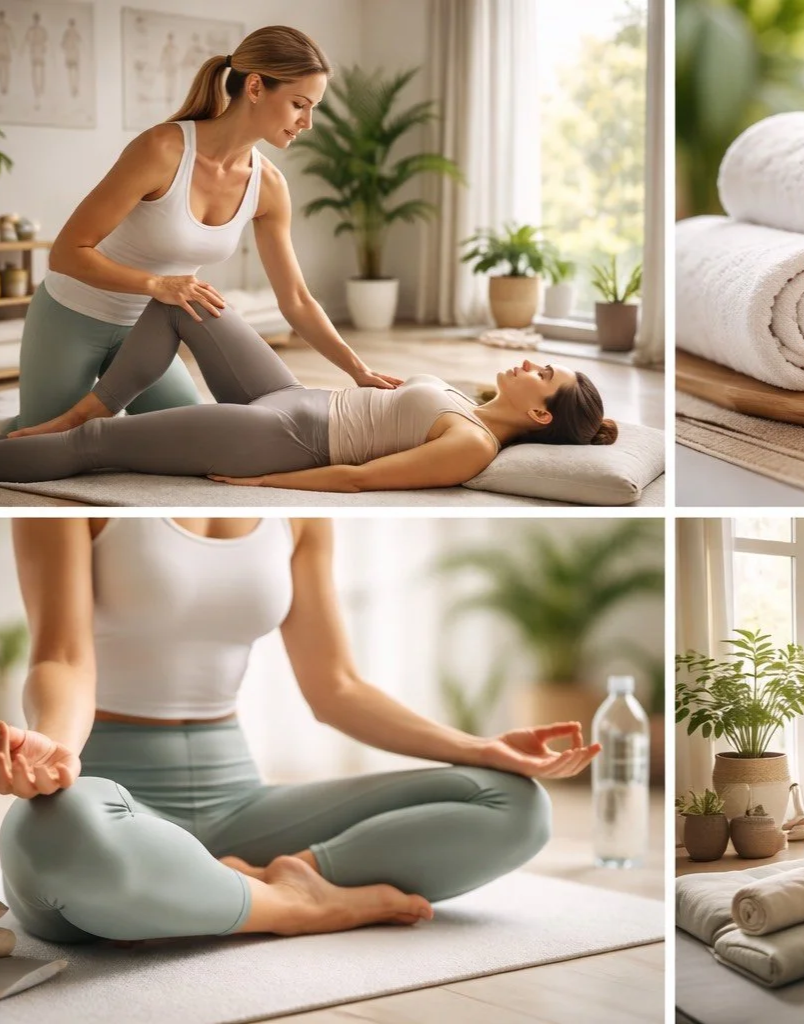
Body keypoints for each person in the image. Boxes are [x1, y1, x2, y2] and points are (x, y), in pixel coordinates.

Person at [0, 517, 602, 943]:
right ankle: (288, 906)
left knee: (516, 804)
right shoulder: (85, 502)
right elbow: (62, 657)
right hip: (112, 795)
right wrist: (56, 750)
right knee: (54, 834)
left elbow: (336, 685)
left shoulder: (298, 512)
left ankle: (253, 886)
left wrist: (482, 748)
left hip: (239, 802)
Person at [6, 24, 400, 435]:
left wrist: (360, 371)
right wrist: (158, 285)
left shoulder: (268, 186)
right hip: (74, 315)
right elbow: (67, 253)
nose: (308, 122)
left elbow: (296, 300)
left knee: (187, 438)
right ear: (254, 87)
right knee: (40, 441)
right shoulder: (162, 150)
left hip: (146, 336)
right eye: (299, 104)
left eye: (313, 107)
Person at [0, 297, 617, 489]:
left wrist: (262, 486)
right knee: (182, 300)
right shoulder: (465, 402)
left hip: (282, 437)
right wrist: (363, 375)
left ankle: (65, 428)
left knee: (96, 445)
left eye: (544, 374)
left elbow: (362, 479)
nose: (531, 361)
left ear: (540, 413)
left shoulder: (473, 445)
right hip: (290, 392)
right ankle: (91, 401)